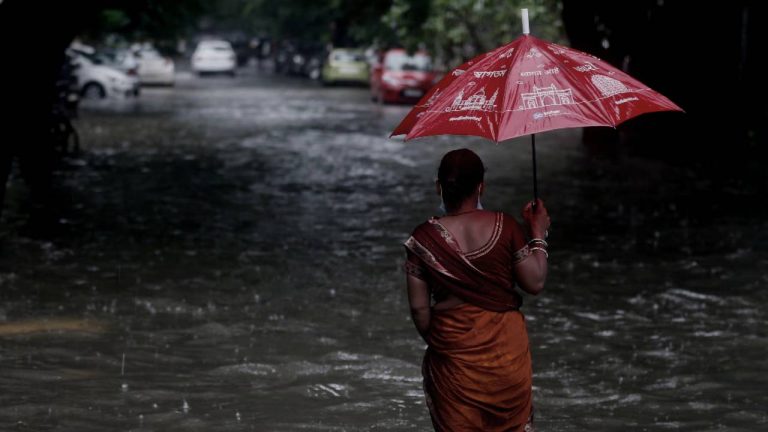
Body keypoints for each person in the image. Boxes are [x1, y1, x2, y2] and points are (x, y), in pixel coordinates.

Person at [403, 148, 550, 432]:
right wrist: (538, 233)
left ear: (438, 187)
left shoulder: (423, 238)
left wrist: (445, 344)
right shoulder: (505, 226)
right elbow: (536, 282)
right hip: (506, 357)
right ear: (481, 187)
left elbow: (419, 310)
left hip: (454, 357)